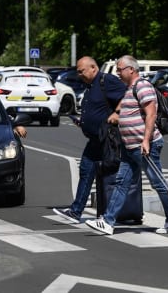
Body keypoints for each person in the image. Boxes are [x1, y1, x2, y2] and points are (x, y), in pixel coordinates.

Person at [87, 55, 168, 235]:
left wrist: (146, 140)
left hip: (144, 146)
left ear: (131, 69)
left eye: (120, 69)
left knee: (158, 183)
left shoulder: (142, 86)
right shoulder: (130, 88)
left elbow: (151, 114)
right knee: (121, 183)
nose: (117, 73)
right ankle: (108, 221)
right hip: (130, 147)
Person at [53, 56, 126, 224]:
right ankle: (76, 210)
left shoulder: (106, 80)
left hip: (107, 140)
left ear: (93, 67)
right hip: (94, 140)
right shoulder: (91, 85)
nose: (79, 74)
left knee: (111, 176)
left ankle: (112, 214)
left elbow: (127, 95)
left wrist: (117, 113)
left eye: (81, 71)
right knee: (86, 172)